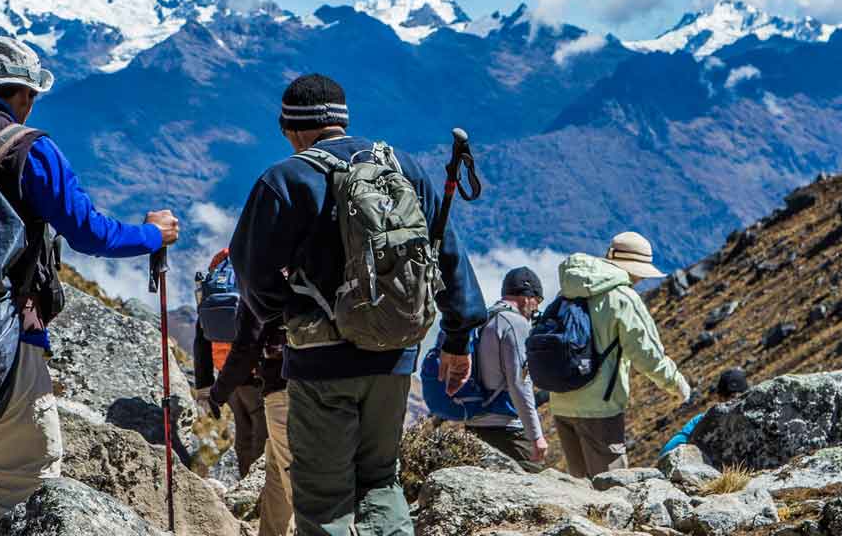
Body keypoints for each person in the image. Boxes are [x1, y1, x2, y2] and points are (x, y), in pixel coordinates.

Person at [0, 36, 182, 536]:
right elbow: (90, 232)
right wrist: (154, 234)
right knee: (25, 484)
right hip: (5, 341)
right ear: (24, 94)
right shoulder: (29, 150)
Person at [230, 73, 487, 536]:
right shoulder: (402, 167)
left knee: (324, 498)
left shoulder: (285, 179)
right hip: (394, 357)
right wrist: (457, 338)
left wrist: (289, 314)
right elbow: (446, 257)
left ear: (291, 128)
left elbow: (249, 272)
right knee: (380, 481)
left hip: (320, 364)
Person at [549, 231, 690, 478]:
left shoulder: (569, 291)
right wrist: (676, 384)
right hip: (600, 408)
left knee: (580, 485)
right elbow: (647, 354)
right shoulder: (622, 298)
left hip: (561, 400)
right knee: (611, 489)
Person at [208, 299, 293, 536]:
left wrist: (218, 392)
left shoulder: (263, 269)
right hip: (334, 376)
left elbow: (247, 345)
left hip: (285, 386)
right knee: (276, 471)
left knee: (299, 482)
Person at [194, 249, 268, 478]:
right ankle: (258, 491)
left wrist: (205, 385)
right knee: (264, 436)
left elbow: (201, 335)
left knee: (243, 431)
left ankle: (246, 479)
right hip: (257, 373)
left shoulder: (217, 271)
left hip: (226, 375)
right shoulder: (254, 264)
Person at [467, 267, 549, 472]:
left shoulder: (485, 318)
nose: (535, 311)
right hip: (506, 427)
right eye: (537, 302)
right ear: (527, 298)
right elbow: (520, 384)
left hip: (474, 421)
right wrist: (536, 436)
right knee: (535, 481)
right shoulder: (515, 324)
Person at [660, 367, 748, 456]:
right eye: (732, 398)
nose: (736, 403)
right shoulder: (703, 421)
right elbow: (670, 449)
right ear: (720, 398)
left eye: (740, 398)